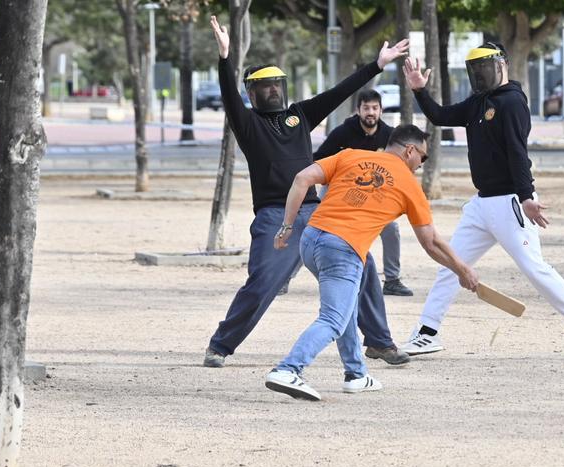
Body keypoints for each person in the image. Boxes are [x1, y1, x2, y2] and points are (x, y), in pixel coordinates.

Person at [202, 16, 411, 368]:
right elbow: (228, 96)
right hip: (274, 216)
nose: (272, 91)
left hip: (317, 212)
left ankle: (378, 342)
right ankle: (221, 345)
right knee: (262, 282)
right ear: (252, 93)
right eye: (264, 86)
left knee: (362, 263)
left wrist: (377, 65)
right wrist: (225, 57)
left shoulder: (299, 116)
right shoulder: (248, 124)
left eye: (276, 85)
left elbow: (339, 92)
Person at [398, 43, 564, 359]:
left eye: (484, 68)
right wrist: (420, 91)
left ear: (502, 65)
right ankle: (427, 332)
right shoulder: (479, 102)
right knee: (451, 265)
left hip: (511, 202)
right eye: (474, 71)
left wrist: (526, 197)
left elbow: (517, 152)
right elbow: (439, 116)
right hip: (481, 205)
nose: (480, 76)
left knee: (534, 268)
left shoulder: (512, 103)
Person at [265, 125, 478, 401]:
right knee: (333, 318)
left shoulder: (351, 156)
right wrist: (462, 269)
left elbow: (302, 178)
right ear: (410, 150)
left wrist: (286, 227)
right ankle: (288, 369)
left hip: (310, 240)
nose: (421, 165)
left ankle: (356, 374)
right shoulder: (410, 186)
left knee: (346, 309)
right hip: (343, 249)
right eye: (422, 158)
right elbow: (432, 242)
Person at [313, 89, 414, 297]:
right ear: (358, 110)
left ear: (381, 110)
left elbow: (401, 167)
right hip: (340, 191)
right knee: (313, 224)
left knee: (391, 228)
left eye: (375, 108)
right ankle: (285, 278)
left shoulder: (390, 136)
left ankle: (392, 280)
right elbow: (318, 159)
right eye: (366, 108)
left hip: (374, 194)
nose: (371, 112)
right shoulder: (342, 133)